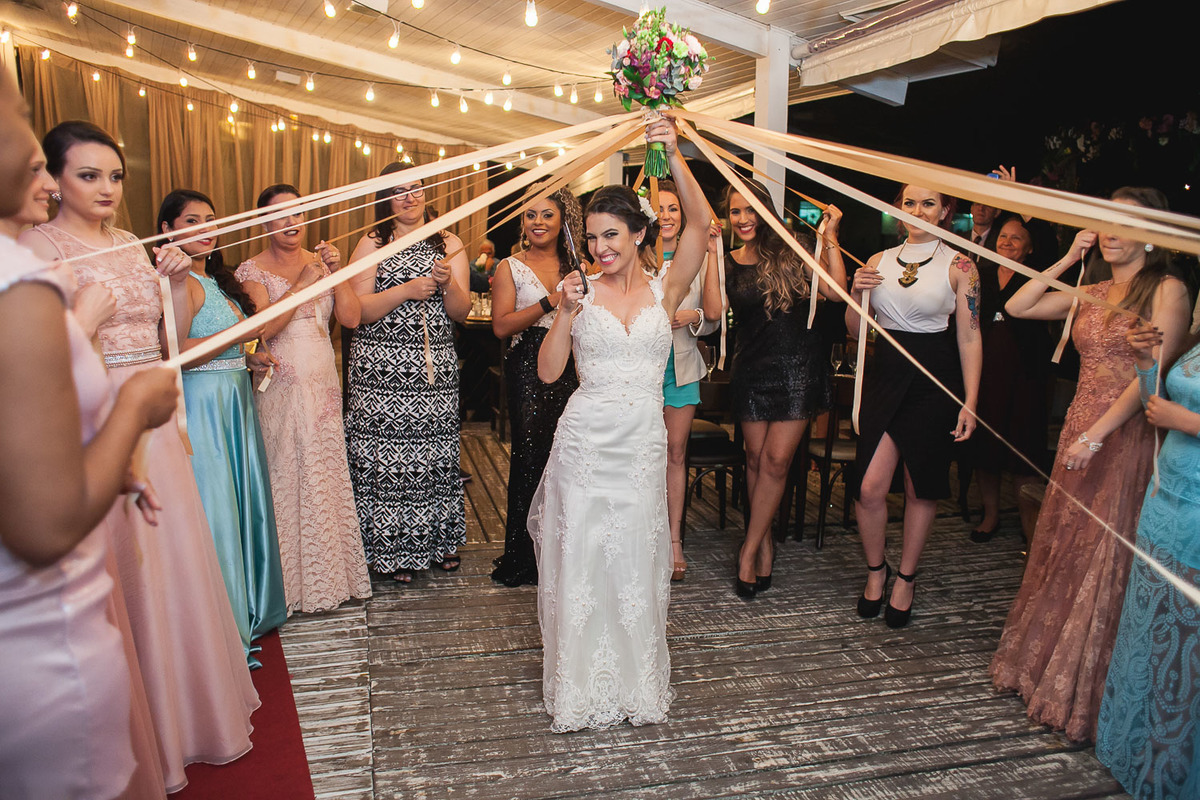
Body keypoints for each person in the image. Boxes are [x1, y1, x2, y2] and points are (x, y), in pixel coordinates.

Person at [20, 121, 259, 791]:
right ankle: (138, 727)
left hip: (156, 408)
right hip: (96, 414)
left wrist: (172, 287)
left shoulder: (131, 243)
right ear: (55, 180)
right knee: (126, 566)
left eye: (115, 176)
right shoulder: (36, 247)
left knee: (173, 556)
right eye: (88, 175)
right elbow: (31, 361)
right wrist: (84, 324)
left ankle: (186, 713)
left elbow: (169, 342)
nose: (106, 189)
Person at [0, 85, 178, 800]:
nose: (38, 164)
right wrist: (130, 409)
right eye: (14, 115)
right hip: (36, 636)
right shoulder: (21, 275)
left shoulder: (122, 246)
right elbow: (43, 527)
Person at [991, 186, 1193, 742]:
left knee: (1106, 548)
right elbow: (1019, 306)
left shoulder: (1168, 289)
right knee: (1068, 543)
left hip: (1124, 433)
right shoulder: (1093, 289)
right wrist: (1066, 257)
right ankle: (1046, 666)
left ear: (1152, 235)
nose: (1110, 231)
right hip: (1078, 427)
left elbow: (1153, 375)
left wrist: (1098, 436)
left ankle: (1092, 686)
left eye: (1124, 222)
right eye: (1105, 220)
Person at [529, 116, 708, 732]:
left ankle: (634, 681)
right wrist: (562, 311)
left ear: (639, 232)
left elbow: (701, 224)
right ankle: (579, 685)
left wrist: (673, 151)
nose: (600, 248)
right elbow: (549, 373)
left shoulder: (666, 289)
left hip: (640, 444)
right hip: (586, 441)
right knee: (582, 557)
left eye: (611, 235)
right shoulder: (579, 292)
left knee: (634, 557)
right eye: (592, 238)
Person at [156, 188, 292, 652]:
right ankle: (221, 624)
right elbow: (175, 353)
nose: (206, 229)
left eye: (211, 219)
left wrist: (246, 358)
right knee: (216, 506)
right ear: (167, 230)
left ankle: (249, 603)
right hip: (205, 407)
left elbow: (220, 346)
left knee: (237, 502)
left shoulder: (213, 280)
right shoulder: (178, 284)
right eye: (192, 221)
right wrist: (238, 334)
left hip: (235, 400)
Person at [846, 185, 982, 628]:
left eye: (928, 203)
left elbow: (969, 337)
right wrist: (855, 292)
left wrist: (970, 401)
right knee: (869, 487)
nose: (918, 211)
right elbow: (856, 331)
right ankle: (876, 570)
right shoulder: (878, 260)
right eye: (909, 202)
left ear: (944, 211)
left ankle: (906, 578)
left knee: (919, 484)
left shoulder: (961, 265)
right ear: (898, 209)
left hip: (934, 378)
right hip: (886, 373)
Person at [238, 184, 371, 614]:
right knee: (287, 471)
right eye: (280, 214)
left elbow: (350, 318)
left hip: (324, 382)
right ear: (263, 222)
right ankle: (286, 587)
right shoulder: (252, 270)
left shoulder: (320, 263)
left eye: (297, 213)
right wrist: (299, 286)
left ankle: (330, 577)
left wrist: (337, 273)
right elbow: (260, 330)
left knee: (324, 470)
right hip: (281, 383)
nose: (291, 222)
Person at [347, 163, 470, 583]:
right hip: (381, 371)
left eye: (416, 188)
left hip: (433, 369)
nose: (409, 197)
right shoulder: (372, 242)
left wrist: (448, 283)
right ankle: (392, 548)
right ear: (385, 199)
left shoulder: (449, 242)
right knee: (390, 458)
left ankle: (437, 539)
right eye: (398, 191)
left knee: (433, 452)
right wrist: (405, 290)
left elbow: (461, 311)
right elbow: (358, 310)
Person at [725, 178, 846, 598]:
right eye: (735, 211)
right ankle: (764, 543)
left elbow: (834, 291)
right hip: (751, 370)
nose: (743, 218)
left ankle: (749, 549)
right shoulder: (727, 260)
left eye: (751, 209)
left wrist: (830, 237)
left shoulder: (795, 246)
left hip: (797, 369)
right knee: (754, 458)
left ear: (766, 210)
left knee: (776, 461)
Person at [1096, 323, 1200, 799]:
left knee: (1187, 644)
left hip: (1196, 511)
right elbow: (1156, 404)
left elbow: (1179, 416)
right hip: (1164, 497)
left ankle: (1174, 765)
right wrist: (1145, 363)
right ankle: (1141, 750)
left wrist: (1191, 423)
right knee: (1151, 630)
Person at [488, 187, 583, 587]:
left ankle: (564, 552)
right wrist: (550, 301)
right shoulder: (511, 266)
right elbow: (500, 326)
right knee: (530, 456)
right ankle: (524, 557)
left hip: (574, 363)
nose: (538, 222)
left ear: (563, 220)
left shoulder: (580, 265)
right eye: (530, 215)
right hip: (526, 363)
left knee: (570, 456)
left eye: (546, 214)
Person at [970, 214, 1058, 541]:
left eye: (1016, 238)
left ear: (1030, 248)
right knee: (986, 447)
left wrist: (1029, 216)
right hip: (986, 373)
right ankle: (990, 515)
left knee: (1024, 448)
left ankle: (1028, 521)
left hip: (1026, 376)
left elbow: (1049, 244)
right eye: (1003, 236)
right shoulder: (980, 272)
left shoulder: (1039, 276)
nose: (1006, 242)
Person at [655, 179, 723, 581]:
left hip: (680, 370)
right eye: (658, 208)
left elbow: (713, 315)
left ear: (683, 216)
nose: (665, 216)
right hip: (640, 372)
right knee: (641, 455)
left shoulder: (697, 252)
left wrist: (693, 316)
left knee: (675, 454)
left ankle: (674, 540)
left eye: (673, 208)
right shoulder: (635, 254)